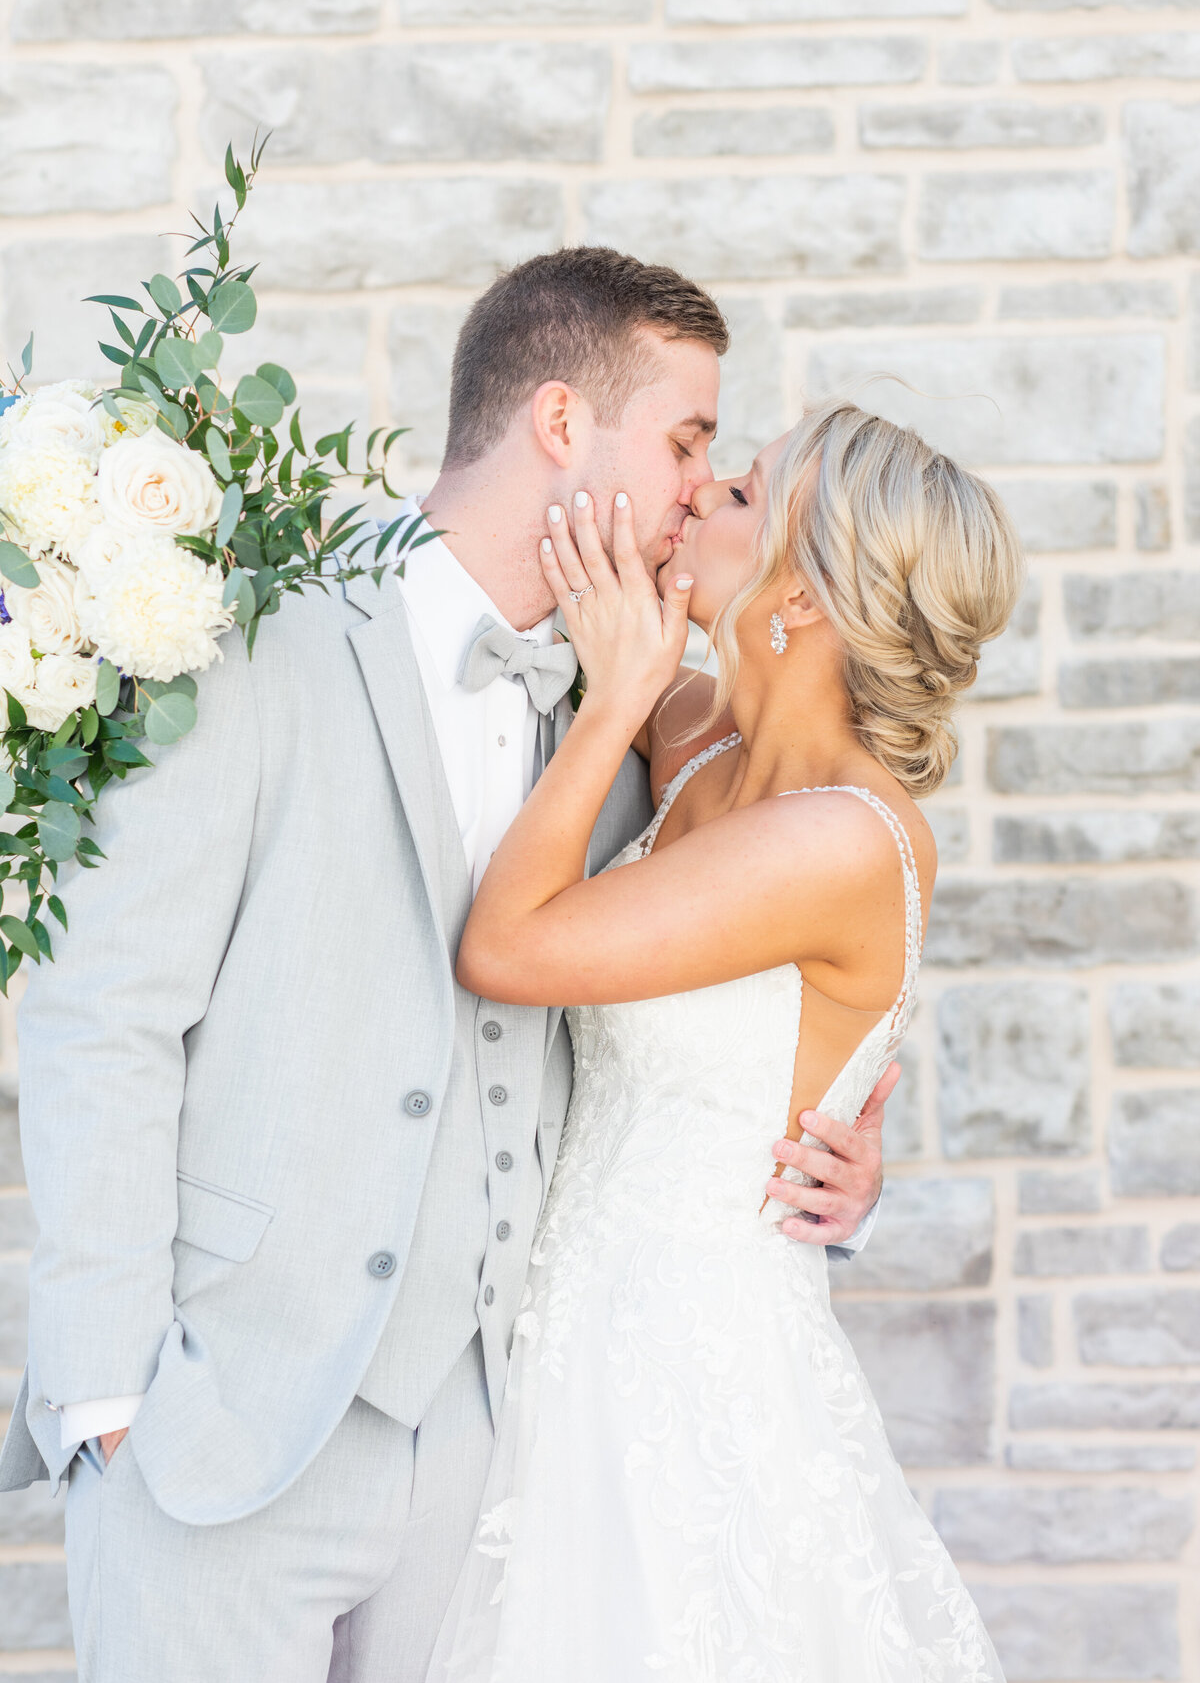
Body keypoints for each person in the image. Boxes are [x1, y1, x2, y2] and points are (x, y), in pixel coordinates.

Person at [0, 250, 894, 1683]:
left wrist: (841, 1154)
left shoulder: (642, 715)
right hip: (220, 1434)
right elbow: (107, 1014)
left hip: (492, 1462)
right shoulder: (242, 633)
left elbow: (773, 972)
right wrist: (106, 1389)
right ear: (559, 424)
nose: (695, 489)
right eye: (685, 442)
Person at [430, 402, 1023, 1682]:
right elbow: (621, 608)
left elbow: (509, 951)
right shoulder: (710, 743)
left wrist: (611, 704)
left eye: (743, 494)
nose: (698, 499)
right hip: (566, 1341)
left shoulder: (845, 841)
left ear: (802, 599)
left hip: (689, 1379)